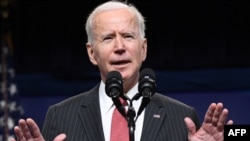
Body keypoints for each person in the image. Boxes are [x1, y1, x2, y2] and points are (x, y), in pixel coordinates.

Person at [12, 0, 233, 141]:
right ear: (91, 53)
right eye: (108, 38)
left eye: (128, 36)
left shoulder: (182, 117)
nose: (120, 47)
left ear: (143, 48)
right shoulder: (60, 116)